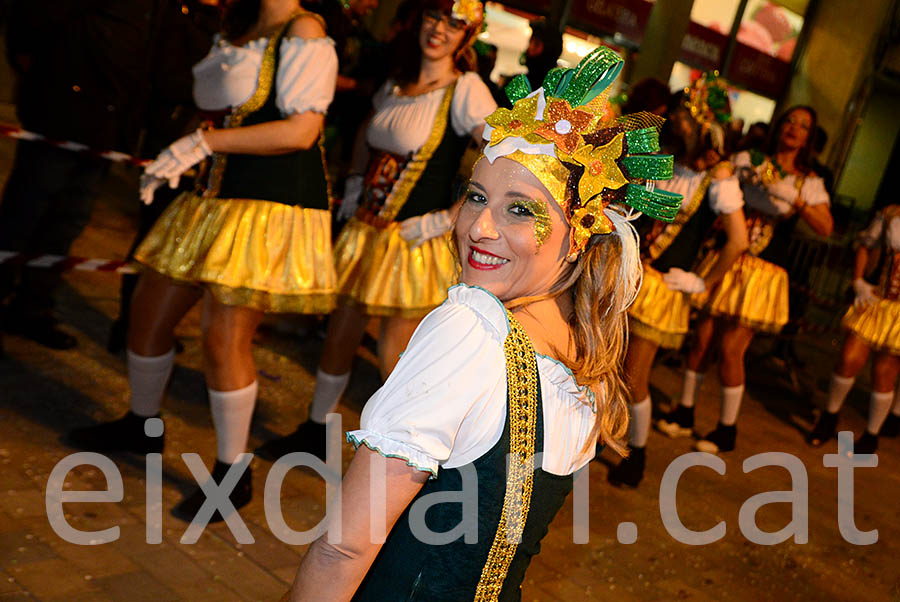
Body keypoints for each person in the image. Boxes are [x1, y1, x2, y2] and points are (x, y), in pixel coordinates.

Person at [284, 45, 681, 601]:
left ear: (577, 240)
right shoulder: (582, 360)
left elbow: (344, 547)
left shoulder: (470, 329)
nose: (479, 227)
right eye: (475, 197)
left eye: (520, 209)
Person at [67, 0, 339, 521]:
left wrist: (201, 142)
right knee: (147, 315)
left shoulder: (304, 30)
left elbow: (301, 131)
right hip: (211, 196)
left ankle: (233, 474)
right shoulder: (239, 24)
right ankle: (142, 425)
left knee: (224, 335)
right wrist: (185, 147)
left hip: (267, 205)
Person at [256, 0, 496, 462]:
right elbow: (369, 140)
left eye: (452, 23)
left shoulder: (466, 90)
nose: (438, 29)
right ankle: (315, 429)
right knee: (339, 333)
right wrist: (351, 187)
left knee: (397, 357)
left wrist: (450, 217)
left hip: (413, 241)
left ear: (467, 35)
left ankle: (406, 456)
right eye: (433, 16)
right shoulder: (396, 83)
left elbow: (500, 158)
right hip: (366, 231)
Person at [661, 106, 833, 454]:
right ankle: (685, 411)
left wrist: (794, 198)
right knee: (702, 341)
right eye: (790, 121)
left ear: (809, 137)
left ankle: (727, 429)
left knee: (731, 349)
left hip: (761, 272)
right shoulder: (749, 158)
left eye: (803, 126)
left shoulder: (808, 181)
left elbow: (826, 228)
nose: (794, 129)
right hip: (726, 260)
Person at [609, 77, 748, 488]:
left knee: (634, 376)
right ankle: (599, 437)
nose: (678, 121)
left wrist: (701, 282)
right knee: (605, 363)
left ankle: (638, 452)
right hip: (628, 273)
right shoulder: (664, 155)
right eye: (679, 113)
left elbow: (738, 240)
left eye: (688, 117)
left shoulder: (718, 177)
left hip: (663, 287)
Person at [0, 1, 159, 350]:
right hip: (61, 111)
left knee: (67, 222)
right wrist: (35, 70)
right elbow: (29, 18)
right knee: (23, 216)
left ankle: (32, 308)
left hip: (109, 123)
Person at [108, 0, 222, 354]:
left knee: (181, 243)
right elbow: (170, 76)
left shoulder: (226, 20)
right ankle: (132, 325)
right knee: (154, 236)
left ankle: (151, 327)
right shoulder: (177, 13)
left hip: (205, 147)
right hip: (174, 135)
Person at [806, 204, 900, 454]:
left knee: (884, 373)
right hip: (877, 300)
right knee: (848, 359)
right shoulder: (892, 213)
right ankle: (830, 416)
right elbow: (865, 245)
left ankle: (871, 435)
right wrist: (858, 280)